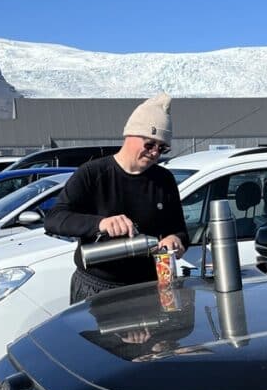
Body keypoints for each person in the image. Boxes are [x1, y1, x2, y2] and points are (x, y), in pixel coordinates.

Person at [45, 92, 189, 303]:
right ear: (129, 135)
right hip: (97, 287)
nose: (155, 153)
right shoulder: (92, 173)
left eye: (162, 148)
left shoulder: (163, 179)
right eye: (149, 144)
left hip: (147, 287)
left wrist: (175, 240)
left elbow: (179, 229)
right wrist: (101, 223)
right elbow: (55, 219)